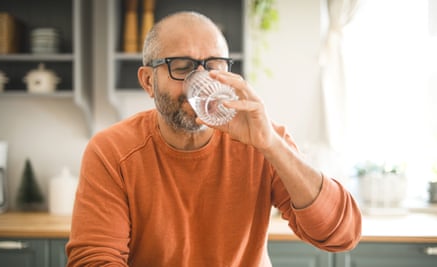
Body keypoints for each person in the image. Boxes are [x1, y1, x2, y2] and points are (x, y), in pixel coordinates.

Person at [66, 11, 361, 266]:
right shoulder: (112, 151)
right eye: (182, 67)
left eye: (214, 65)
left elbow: (341, 235)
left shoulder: (263, 139)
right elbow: (93, 260)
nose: (202, 79)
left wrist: (271, 145)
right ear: (148, 81)